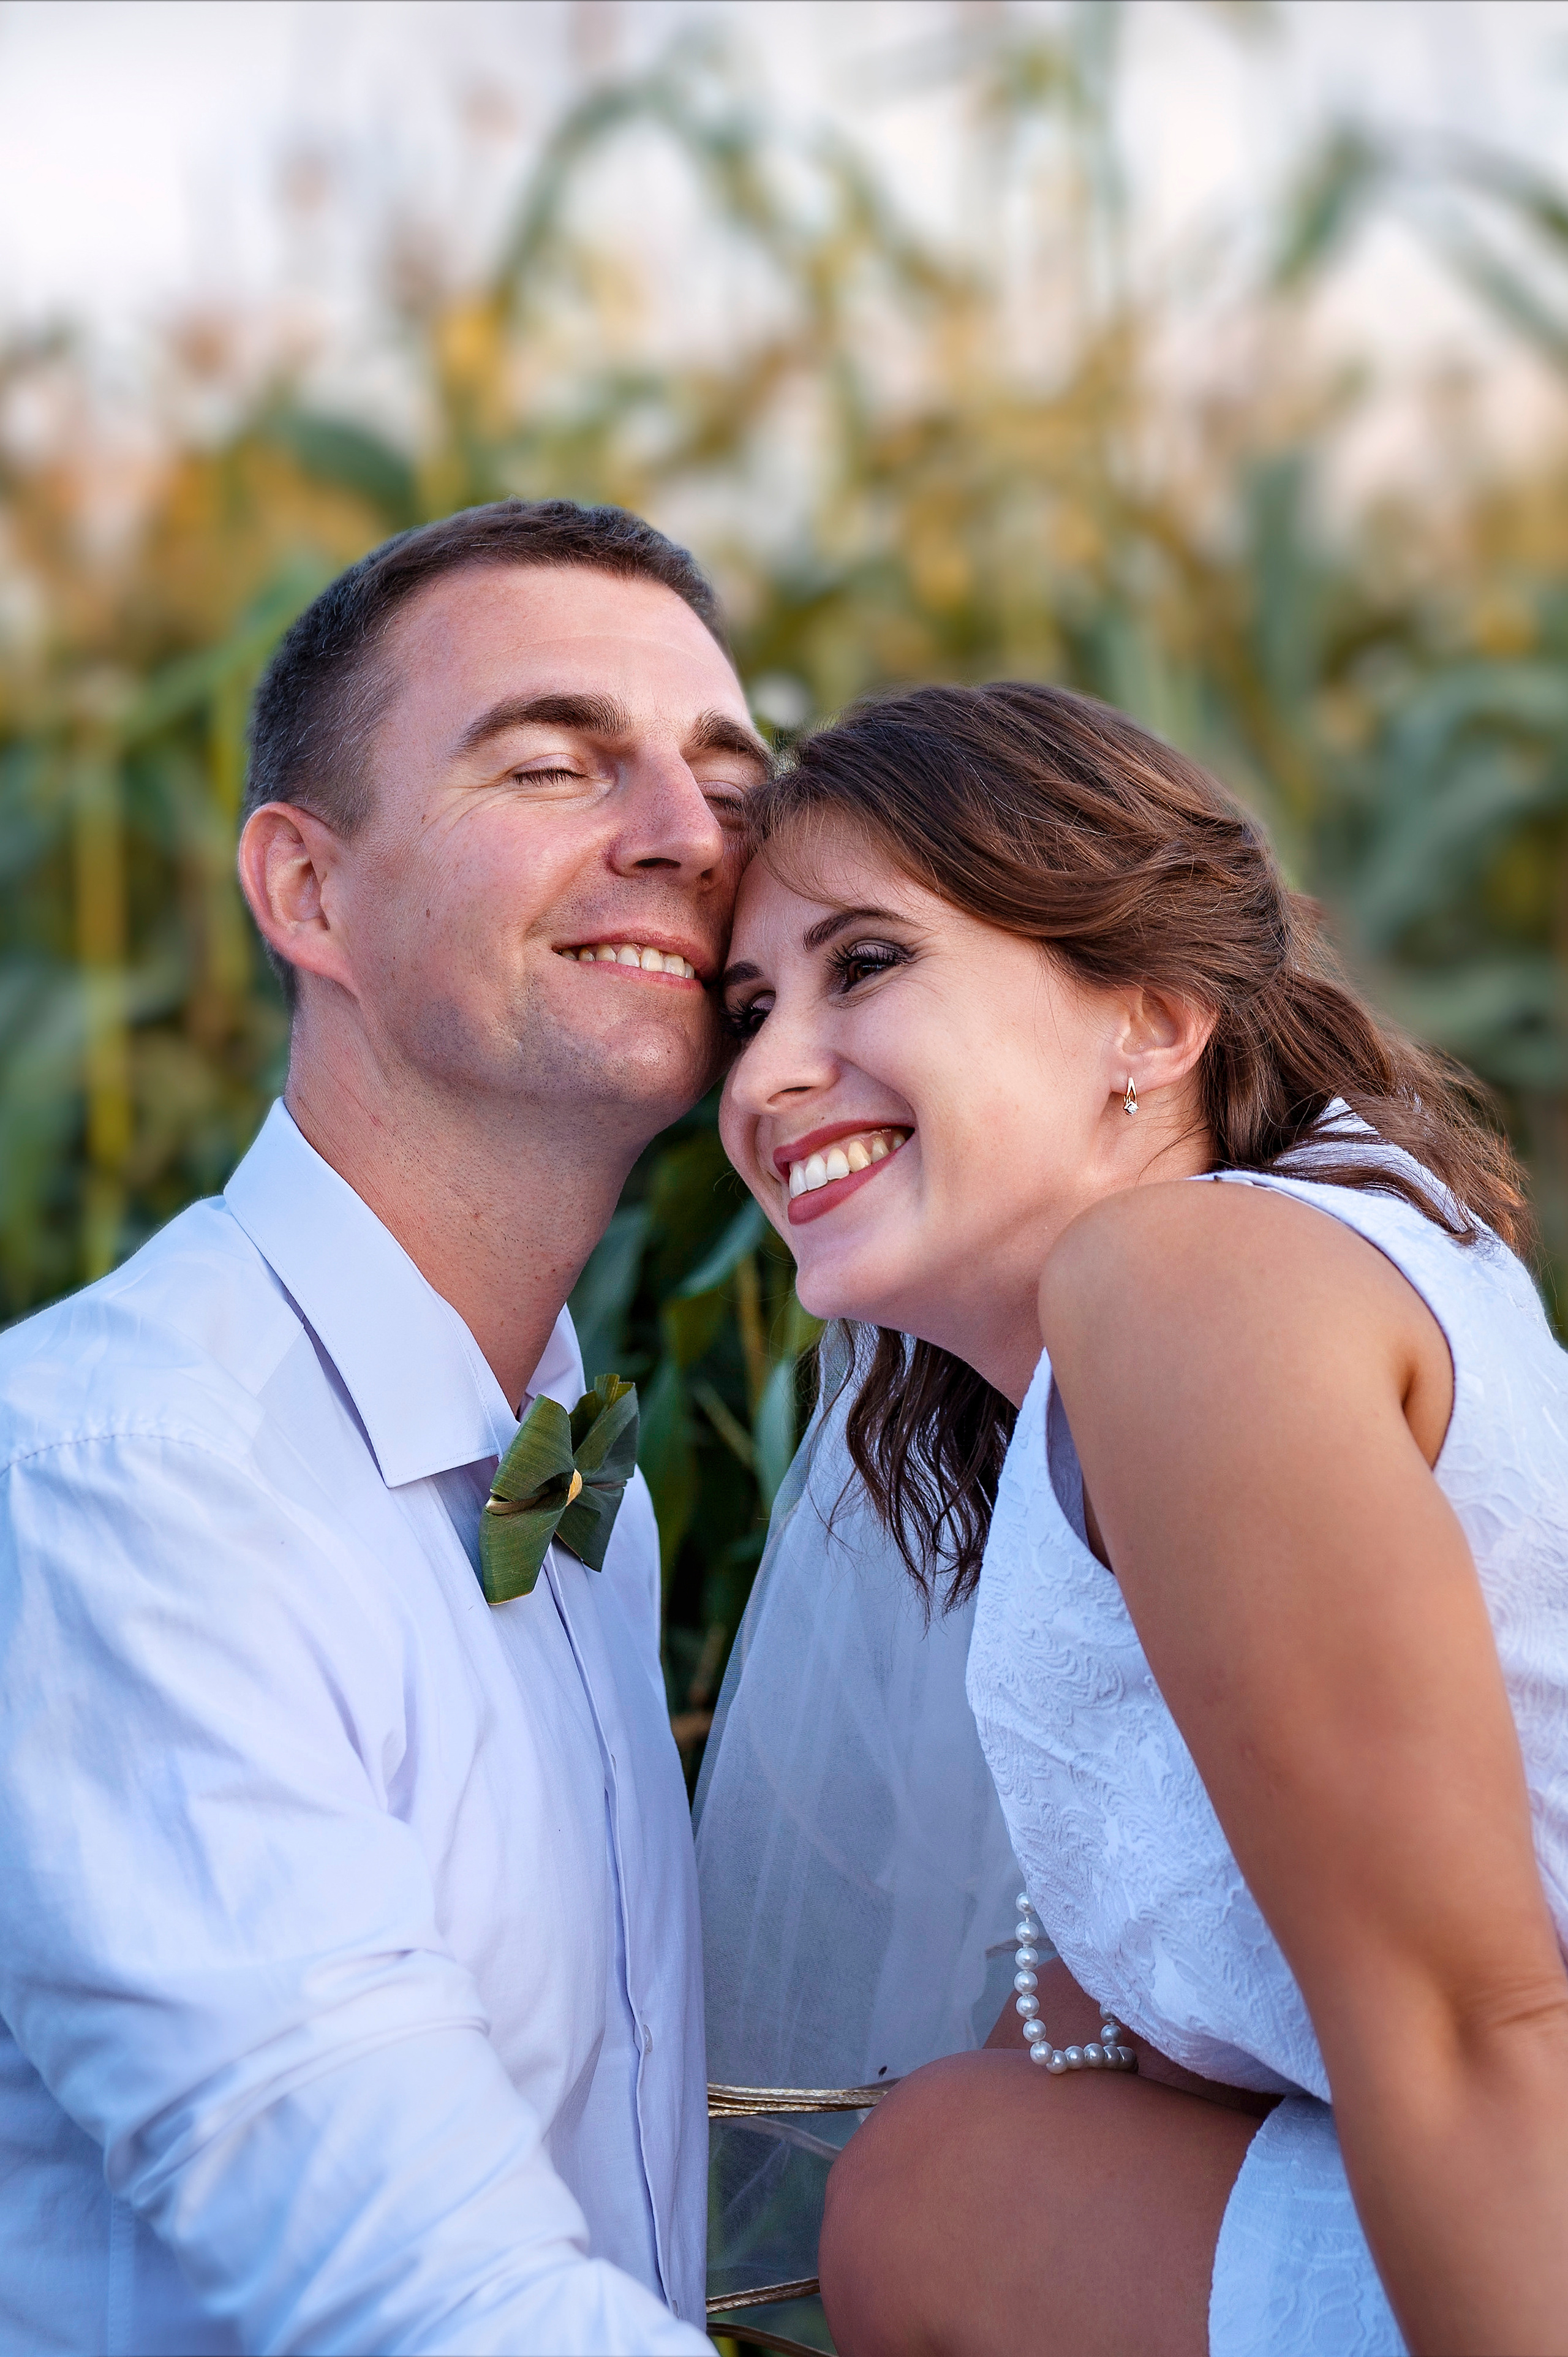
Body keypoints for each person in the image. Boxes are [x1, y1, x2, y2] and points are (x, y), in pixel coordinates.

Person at [702, 679, 1568, 2357]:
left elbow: (1478, 2025)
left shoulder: (1193, 1281)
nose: (769, 1075)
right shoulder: (1155, 1359)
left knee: (940, 2188)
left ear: (1153, 1023)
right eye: (746, 1009)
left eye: (865, 963)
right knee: (959, 2164)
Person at [0, 498, 772, 2355]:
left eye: (729, 784)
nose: (684, 838)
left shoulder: (578, 1466)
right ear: (307, 893)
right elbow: (435, 2307)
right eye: (553, 763)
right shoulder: (131, 1486)